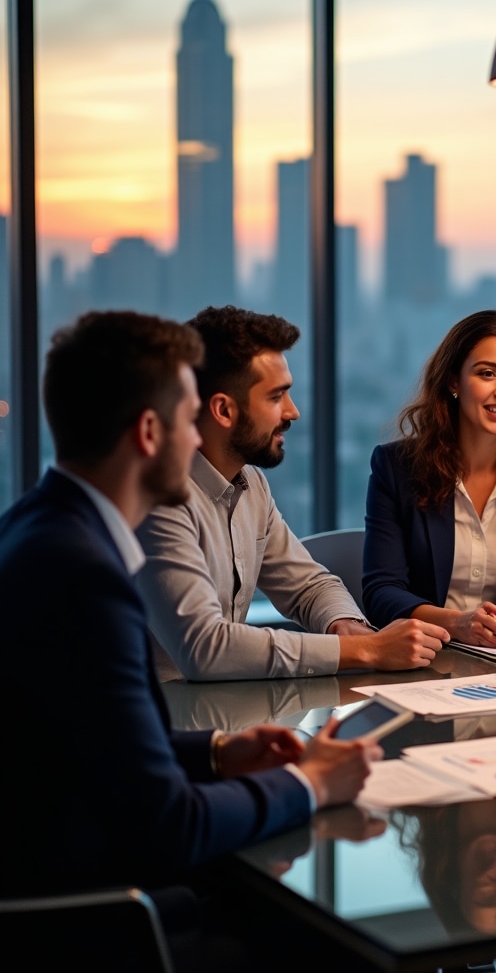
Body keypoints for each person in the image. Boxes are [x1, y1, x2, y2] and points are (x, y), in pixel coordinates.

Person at [0, 311, 380, 903]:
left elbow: (104, 742)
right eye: (187, 418)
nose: (198, 439)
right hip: (90, 914)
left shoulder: (39, 529)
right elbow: (171, 825)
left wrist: (218, 750)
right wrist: (308, 784)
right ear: (151, 434)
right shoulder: (85, 577)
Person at [137, 305, 448, 681]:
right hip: (152, 726)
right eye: (275, 397)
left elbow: (308, 585)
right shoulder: (159, 498)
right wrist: (362, 650)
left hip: (219, 719)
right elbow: (205, 648)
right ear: (223, 410)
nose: (293, 411)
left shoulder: (250, 485)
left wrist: (347, 627)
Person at [362, 310, 496, 647]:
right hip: (425, 661)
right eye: (487, 373)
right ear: (453, 381)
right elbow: (380, 593)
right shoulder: (397, 467)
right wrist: (457, 623)